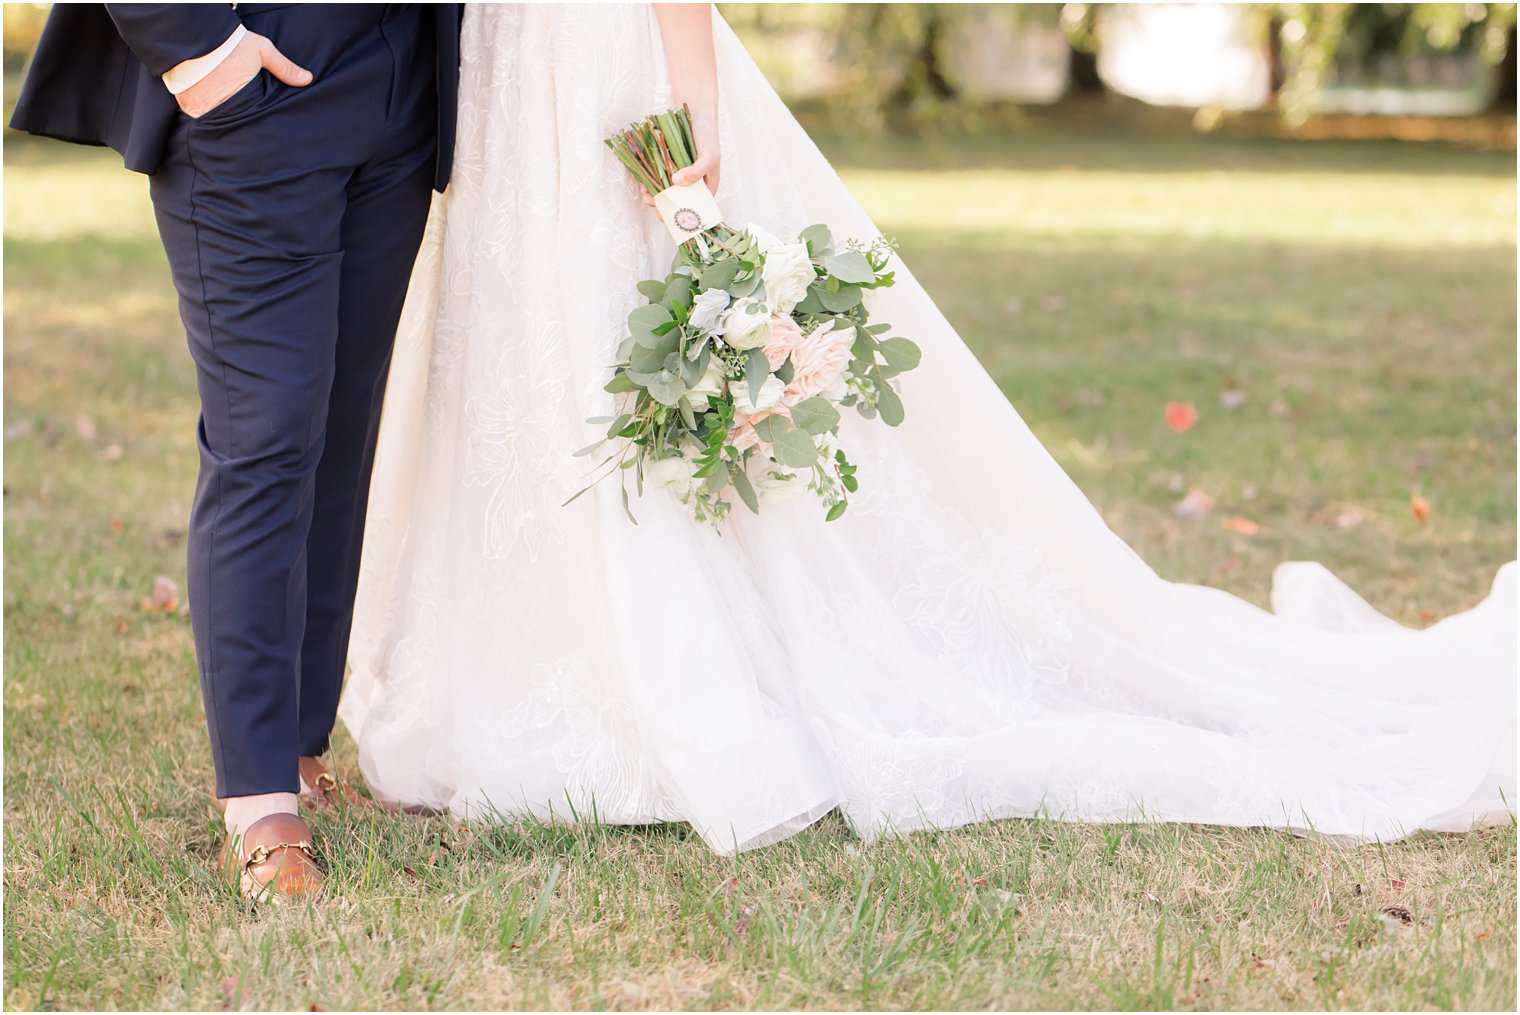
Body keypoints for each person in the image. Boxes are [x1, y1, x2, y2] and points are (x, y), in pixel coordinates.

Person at [342, 3, 1515, 858]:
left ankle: (657, 674)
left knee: (612, 331)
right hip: (496, 69)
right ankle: (524, 658)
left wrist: (693, 107)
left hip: (607, 61)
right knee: (529, 354)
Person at [9, 3, 462, 898]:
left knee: (341, 427)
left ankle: (298, 751)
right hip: (253, 75)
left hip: (401, 84)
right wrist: (201, 57)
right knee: (267, 435)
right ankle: (258, 806)